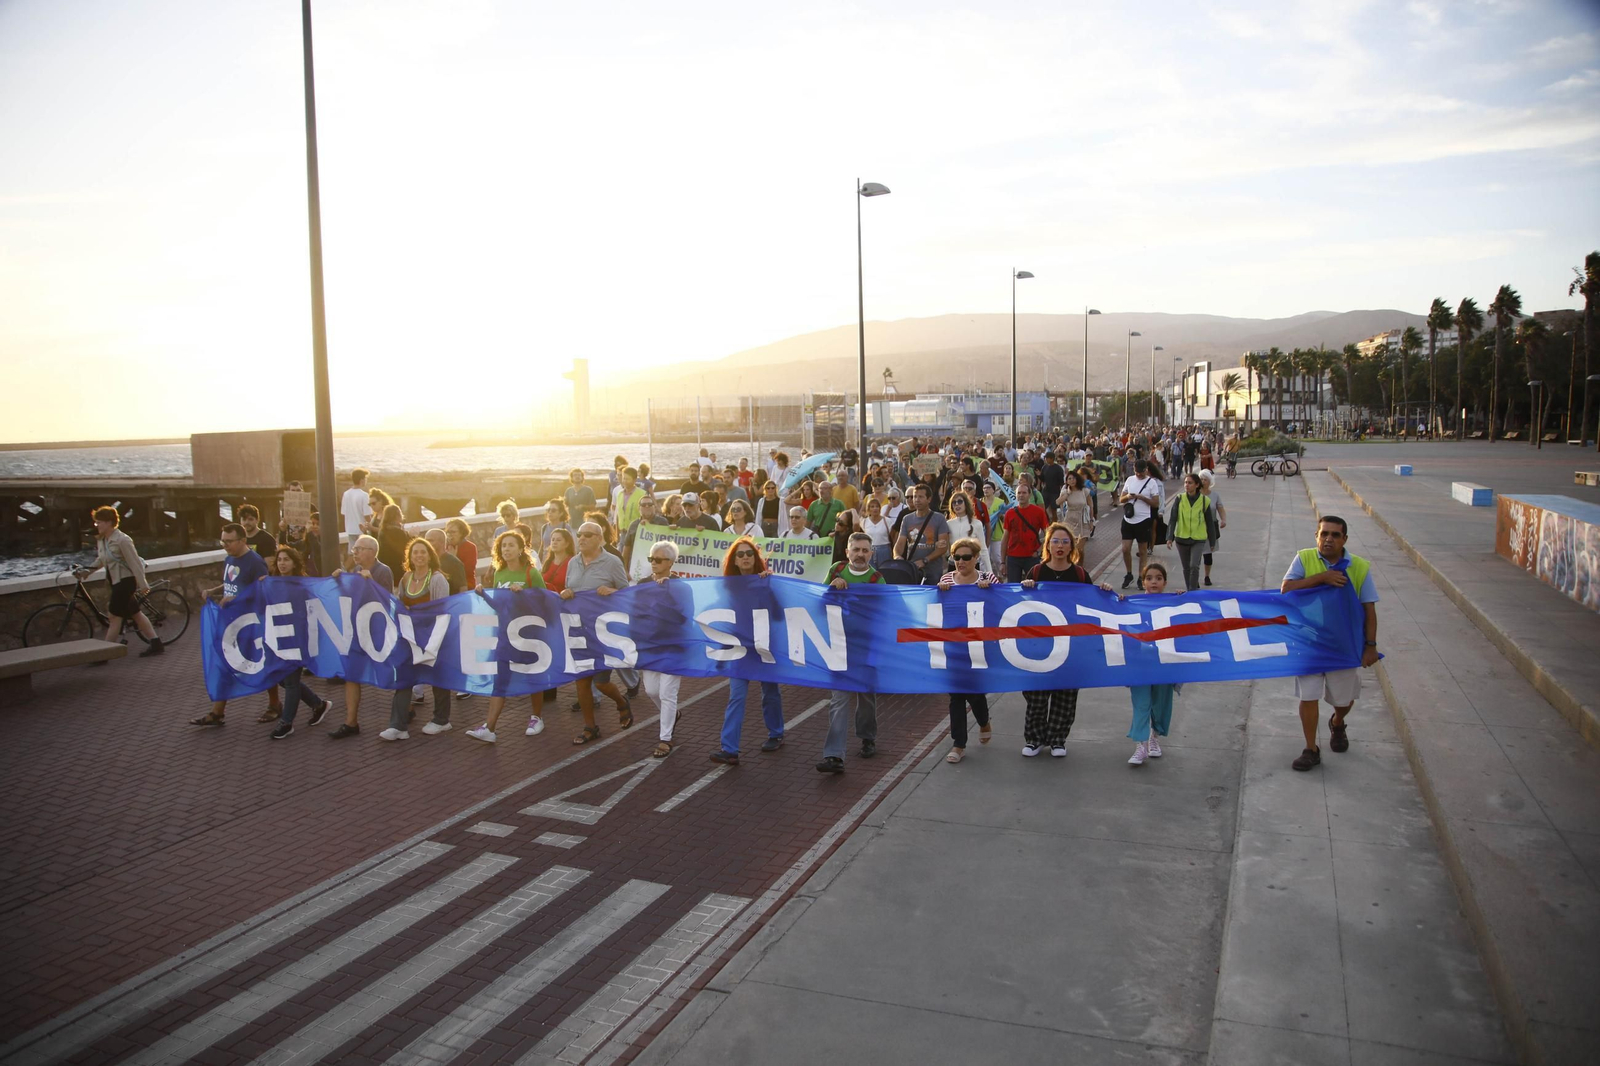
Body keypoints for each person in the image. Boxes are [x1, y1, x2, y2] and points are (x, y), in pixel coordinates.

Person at [1281, 515, 1381, 772]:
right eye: (1324, 533)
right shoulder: (1304, 558)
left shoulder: (1359, 567)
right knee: (1309, 695)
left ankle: (1337, 722)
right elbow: (1287, 589)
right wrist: (1323, 577)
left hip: (1344, 645)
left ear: (1344, 539)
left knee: (1343, 699)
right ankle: (1310, 749)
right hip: (1310, 643)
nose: (1328, 539)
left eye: (1335, 535)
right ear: (1316, 536)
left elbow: (1369, 610)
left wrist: (1370, 646)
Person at [465, 531, 549, 744]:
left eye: (511, 545)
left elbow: (546, 603)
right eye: (503, 546)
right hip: (505, 634)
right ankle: (490, 728)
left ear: (521, 549)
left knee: (533, 676)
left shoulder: (531, 573)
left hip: (529, 635)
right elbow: (500, 606)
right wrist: (483, 594)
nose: (507, 549)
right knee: (500, 680)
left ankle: (536, 718)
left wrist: (524, 595)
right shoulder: (499, 573)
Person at [1018, 524, 1093, 757]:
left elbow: (1092, 606)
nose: (1060, 546)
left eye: (1065, 542)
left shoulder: (1080, 575)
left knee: (1066, 694)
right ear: (1047, 545)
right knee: (1037, 694)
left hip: (1071, 645)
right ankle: (1034, 739)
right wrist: (1025, 588)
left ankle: (1058, 739)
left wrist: (1106, 592)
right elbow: (1021, 606)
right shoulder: (1037, 572)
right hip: (1040, 645)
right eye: (1055, 541)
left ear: (1072, 546)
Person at [710, 538, 786, 764]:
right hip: (739, 649)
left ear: (756, 558)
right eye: (740, 554)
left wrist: (768, 587)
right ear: (734, 560)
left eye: (749, 554)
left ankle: (776, 733)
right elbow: (724, 620)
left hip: (764, 647)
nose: (745, 558)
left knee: (770, 693)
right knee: (737, 696)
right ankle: (729, 748)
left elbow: (779, 614)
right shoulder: (727, 587)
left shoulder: (766, 583)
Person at [190, 523, 273, 726]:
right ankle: (218, 712)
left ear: (243, 541)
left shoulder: (255, 562)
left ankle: (277, 704)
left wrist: (237, 598)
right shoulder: (230, 558)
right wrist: (214, 591)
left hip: (249, 623)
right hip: (230, 621)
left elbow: (263, 591)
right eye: (223, 541)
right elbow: (232, 583)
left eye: (229, 541)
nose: (225, 545)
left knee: (265, 665)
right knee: (224, 662)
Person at [815, 533, 883, 774]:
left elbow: (883, 613)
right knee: (839, 699)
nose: (860, 555)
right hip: (838, 645)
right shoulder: (836, 570)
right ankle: (834, 755)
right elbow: (819, 602)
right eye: (856, 550)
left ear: (871, 553)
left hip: (865, 647)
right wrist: (832, 589)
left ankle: (867, 736)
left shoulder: (876, 579)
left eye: (865, 550)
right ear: (847, 551)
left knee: (866, 695)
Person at [562, 522, 633, 745]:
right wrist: (565, 592)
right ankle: (590, 727)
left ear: (599, 538)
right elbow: (568, 589)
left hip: (603, 631)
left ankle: (621, 702)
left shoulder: (612, 562)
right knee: (582, 682)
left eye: (587, 535)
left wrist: (613, 591)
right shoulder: (573, 562)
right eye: (579, 534)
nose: (581, 538)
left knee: (601, 682)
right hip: (579, 629)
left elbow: (627, 593)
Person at [380, 538, 455, 741]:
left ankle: (441, 720)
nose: (419, 556)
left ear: (430, 555)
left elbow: (442, 610)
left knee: (437, 677)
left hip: (433, 637)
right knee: (404, 677)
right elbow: (399, 605)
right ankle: (398, 725)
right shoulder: (406, 578)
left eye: (423, 552)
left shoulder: (438, 579)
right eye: (415, 553)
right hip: (410, 638)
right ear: (410, 557)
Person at [327, 534, 394, 739]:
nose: (354, 553)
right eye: (354, 549)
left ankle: (405, 706)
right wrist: (339, 582)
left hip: (376, 631)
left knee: (389, 671)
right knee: (352, 675)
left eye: (359, 549)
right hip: (357, 630)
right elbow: (349, 597)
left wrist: (371, 581)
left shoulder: (383, 571)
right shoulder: (354, 571)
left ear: (372, 552)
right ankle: (351, 721)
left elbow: (386, 601)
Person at [935, 537, 996, 762]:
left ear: (976, 558)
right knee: (956, 695)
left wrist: (989, 592)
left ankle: (983, 721)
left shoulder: (987, 578)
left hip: (979, 645)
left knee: (975, 692)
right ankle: (958, 744)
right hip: (954, 645)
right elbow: (937, 609)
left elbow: (1003, 606)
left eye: (966, 557)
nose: (961, 562)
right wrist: (940, 592)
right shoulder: (947, 578)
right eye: (956, 557)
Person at [266, 546, 335, 739]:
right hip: (280, 637)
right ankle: (318, 704)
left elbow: (312, 610)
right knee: (281, 678)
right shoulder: (272, 584)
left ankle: (286, 723)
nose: (282, 563)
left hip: (298, 638)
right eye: (279, 559)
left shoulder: (302, 586)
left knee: (290, 681)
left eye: (286, 559)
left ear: (295, 563)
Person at [1121, 563, 1180, 765]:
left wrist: (1184, 598)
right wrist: (1117, 602)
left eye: (1158, 578)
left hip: (1164, 663)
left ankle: (1155, 737)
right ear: (1143, 581)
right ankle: (1140, 745)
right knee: (1141, 703)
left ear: (1165, 582)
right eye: (1149, 578)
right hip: (1140, 664)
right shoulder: (1133, 603)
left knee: (1161, 703)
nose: (1153, 582)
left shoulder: (1173, 603)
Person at [82, 506, 162, 655]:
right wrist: (87, 571)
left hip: (126, 582)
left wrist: (143, 583)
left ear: (109, 522)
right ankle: (156, 643)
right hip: (114, 581)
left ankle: (104, 653)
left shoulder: (122, 540)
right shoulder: (102, 540)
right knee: (136, 614)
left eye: (99, 522)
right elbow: (101, 559)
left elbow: (134, 563)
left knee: (114, 616)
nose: (96, 525)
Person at [637, 540, 684, 758]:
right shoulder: (643, 583)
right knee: (651, 690)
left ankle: (665, 738)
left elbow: (686, 614)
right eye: (651, 559)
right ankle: (673, 714)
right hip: (650, 645)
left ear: (671, 562)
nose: (653, 563)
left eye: (658, 559)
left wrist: (669, 591)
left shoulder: (680, 585)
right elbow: (633, 609)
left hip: (672, 646)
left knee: (667, 692)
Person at [1164, 473, 1221, 592]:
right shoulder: (1179, 499)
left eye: (1190, 483)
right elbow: (1173, 519)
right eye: (1185, 482)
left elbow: (1209, 522)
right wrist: (1169, 537)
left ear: (1196, 485)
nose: (1186, 485)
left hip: (1198, 539)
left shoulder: (1205, 500)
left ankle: (1192, 592)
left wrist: (1212, 540)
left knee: (1194, 566)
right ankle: (1190, 589)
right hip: (1181, 538)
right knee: (1186, 568)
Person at [1117, 459, 1164, 589]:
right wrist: (1128, 497)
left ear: (1146, 470)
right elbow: (1121, 498)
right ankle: (1129, 573)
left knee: (1142, 551)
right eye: (1137, 472)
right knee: (1125, 549)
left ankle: (1140, 576)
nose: (1139, 475)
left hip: (1143, 520)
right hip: (1128, 519)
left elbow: (1156, 503)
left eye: (1141, 473)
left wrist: (1143, 498)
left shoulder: (1151, 483)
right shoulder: (1130, 480)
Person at [893, 483, 951, 584]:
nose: (916, 500)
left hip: (933, 572)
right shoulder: (907, 519)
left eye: (921, 497)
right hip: (912, 570)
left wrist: (925, 560)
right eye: (915, 496)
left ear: (929, 499)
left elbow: (943, 548)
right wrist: (897, 556)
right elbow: (899, 544)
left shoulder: (939, 518)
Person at [1000, 474, 1049, 583]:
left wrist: (1039, 550)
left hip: (1031, 557)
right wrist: (1002, 562)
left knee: (1033, 586)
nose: (1021, 495)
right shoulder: (1010, 513)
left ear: (1029, 495)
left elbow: (1049, 534)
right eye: (1019, 493)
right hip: (1013, 557)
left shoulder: (1038, 512)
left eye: (1024, 493)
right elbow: (1005, 538)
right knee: (1013, 587)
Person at [944, 490, 991, 574]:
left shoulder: (977, 523)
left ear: (966, 503)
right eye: (954, 503)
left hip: (972, 564)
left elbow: (983, 549)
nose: (957, 504)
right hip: (954, 564)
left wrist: (989, 572)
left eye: (960, 501)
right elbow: (946, 549)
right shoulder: (948, 524)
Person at [621, 492, 670, 571]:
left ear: (654, 507)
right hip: (636, 569)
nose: (647, 506)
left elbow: (669, 546)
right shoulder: (633, 525)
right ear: (639, 508)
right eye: (643, 505)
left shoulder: (662, 522)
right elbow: (626, 551)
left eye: (650, 504)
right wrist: (625, 571)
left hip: (657, 569)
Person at [1196, 468, 1227, 586]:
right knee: (1196, 554)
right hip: (1197, 527)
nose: (1203, 481)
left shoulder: (1214, 495)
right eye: (1201, 479)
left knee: (1208, 553)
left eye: (1206, 479)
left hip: (1210, 528)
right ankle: (1196, 577)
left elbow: (1220, 508)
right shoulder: (1195, 494)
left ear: (1210, 482)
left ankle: (1207, 576)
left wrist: (1223, 520)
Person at [1058, 469, 1092, 544]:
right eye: (1069, 479)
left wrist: (1091, 520)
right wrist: (1067, 493)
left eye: (1074, 478)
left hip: (1083, 519)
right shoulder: (1065, 491)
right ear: (1066, 481)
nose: (1072, 480)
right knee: (1072, 545)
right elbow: (1058, 502)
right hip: (1070, 519)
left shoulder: (1084, 491)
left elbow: (1090, 505)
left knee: (1081, 547)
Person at [376, 503, 409, 578]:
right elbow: (407, 547)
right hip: (397, 568)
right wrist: (413, 535)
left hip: (385, 567)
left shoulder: (383, 531)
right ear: (398, 516)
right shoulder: (398, 532)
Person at [611, 466, 647, 533]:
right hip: (622, 532)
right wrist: (617, 532)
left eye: (627, 479)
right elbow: (618, 514)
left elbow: (646, 515)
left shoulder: (642, 494)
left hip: (636, 532)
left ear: (634, 480)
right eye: (624, 478)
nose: (625, 481)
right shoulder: (619, 494)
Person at [445, 517, 478, 590]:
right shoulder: (445, 547)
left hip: (467, 586)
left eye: (453, 532)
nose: (450, 535)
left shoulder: (470, 547)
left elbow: (467, 571)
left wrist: (453, 558)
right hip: (449, 587)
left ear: (461, 533)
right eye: (448, 532)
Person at [861, 495, 893, 568]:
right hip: (869, 550)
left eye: (877, 506)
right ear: (868, 509)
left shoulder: (887, 521)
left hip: (884, 550)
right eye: (872, 507)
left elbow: (893, 537)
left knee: (885, 572)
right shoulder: (864, 522)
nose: (875, 508)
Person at [543, 526, 576, 592]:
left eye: (558, 540)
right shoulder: (548, 562)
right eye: (552, 540)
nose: (554, 542)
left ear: (567, 544)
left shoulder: (573, 562)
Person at [341, 468, 371, 539]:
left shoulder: (346, 494)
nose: (366, 480)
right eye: (365, 478)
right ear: (361, 480)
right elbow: (367, 515)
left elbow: (344, 513)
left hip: (349, 530)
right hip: (361, 530)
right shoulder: (364, 495)